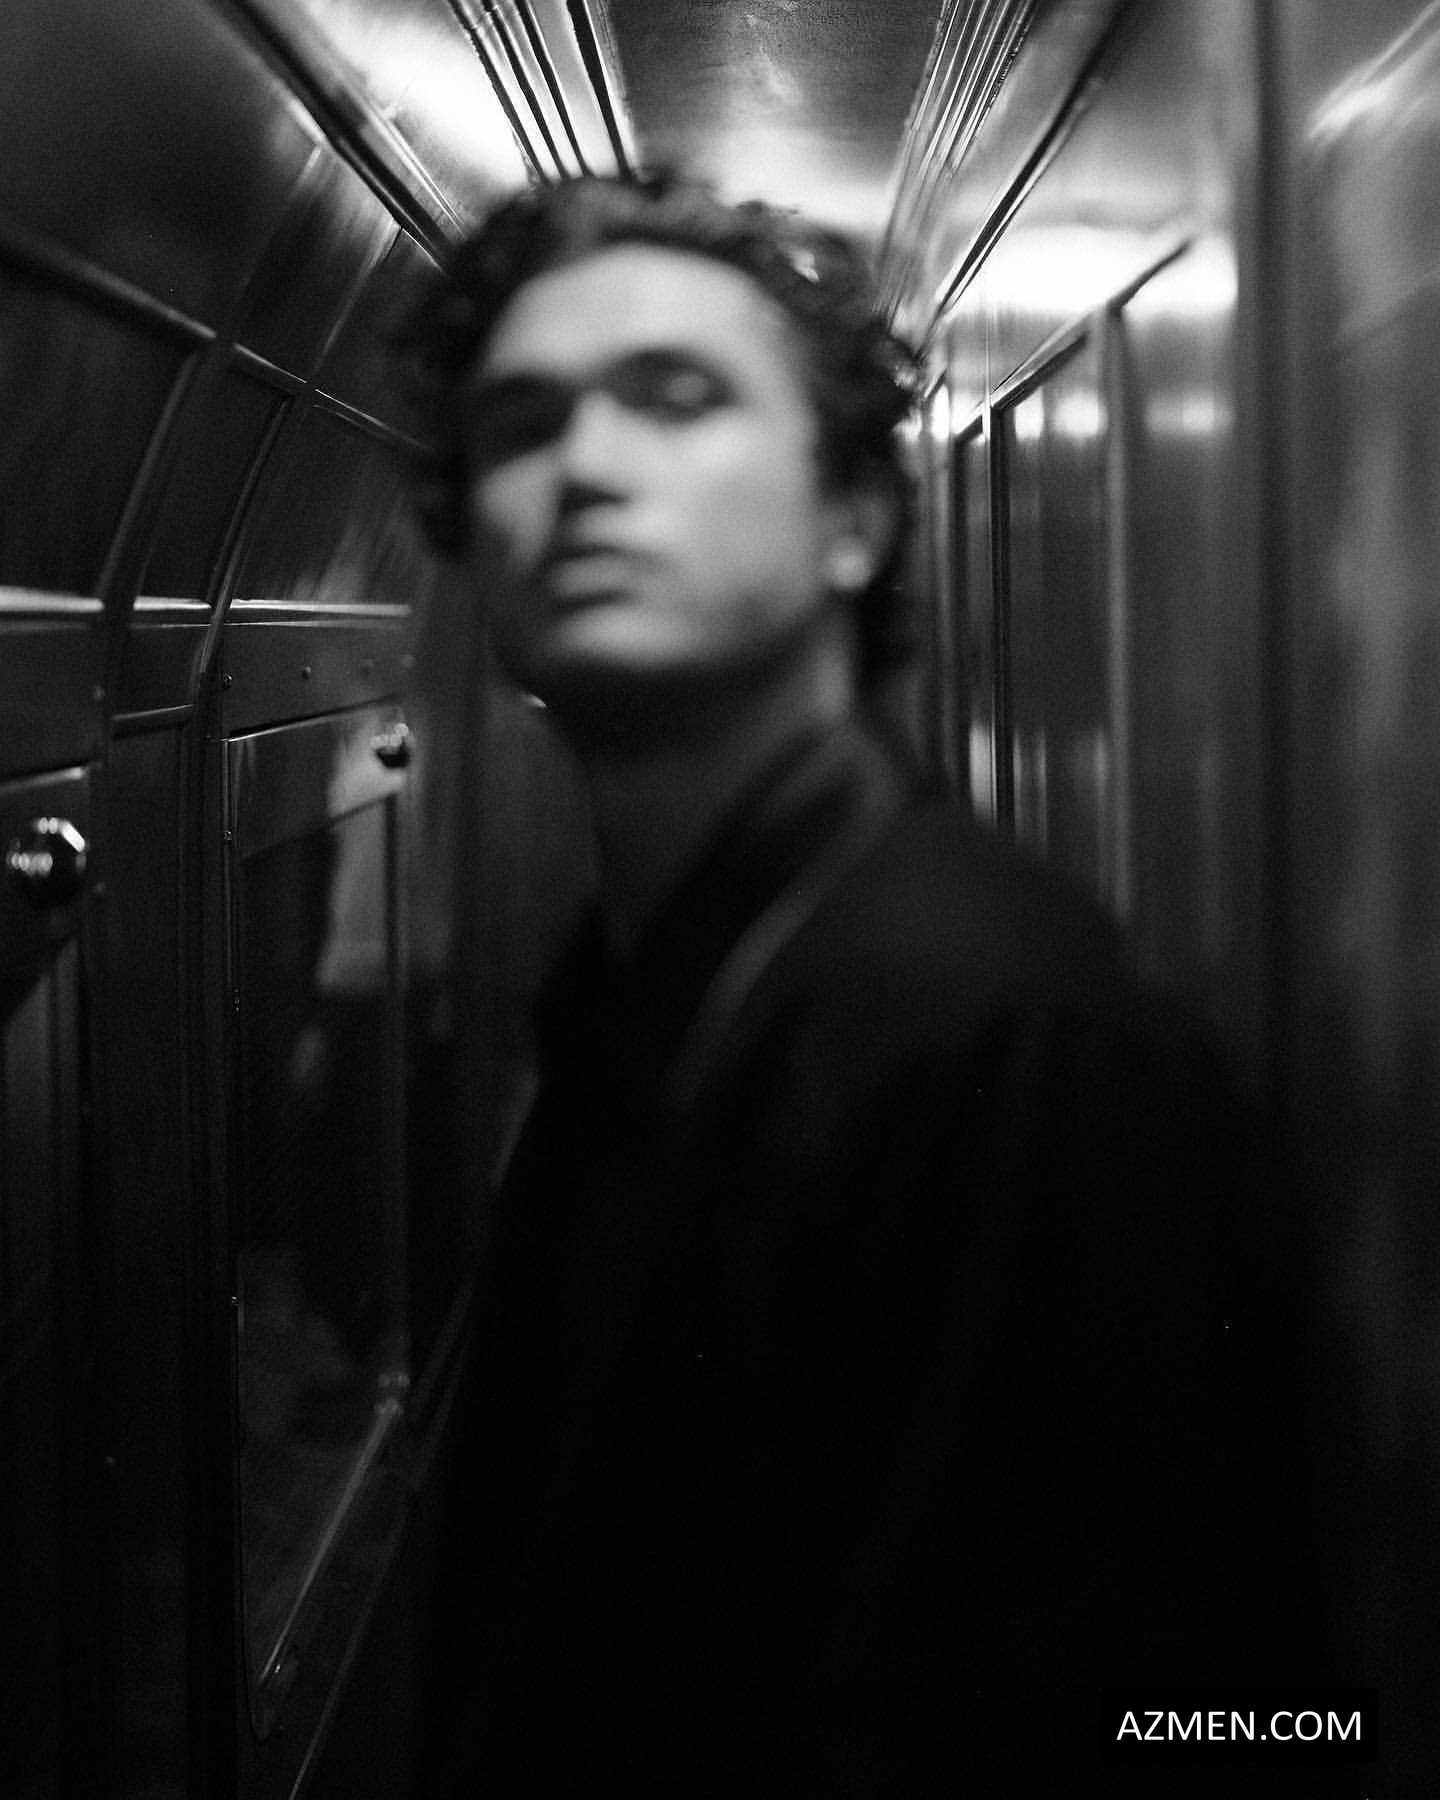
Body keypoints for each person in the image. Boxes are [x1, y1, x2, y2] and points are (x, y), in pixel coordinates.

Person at [399, 171, 1332, 1794]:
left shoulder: (1009, 1037)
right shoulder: (641, 989)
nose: (586, 466)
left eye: (675, 399)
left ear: (856, 523)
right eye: (522, 424)